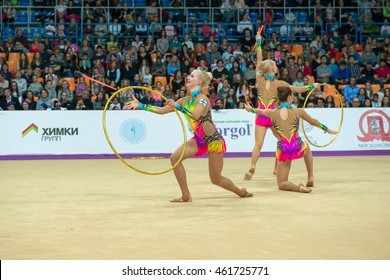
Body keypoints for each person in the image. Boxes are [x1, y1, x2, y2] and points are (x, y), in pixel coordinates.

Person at [125, 69, 253, 202]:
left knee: (216, 179)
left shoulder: (202, 99)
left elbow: (196, 115)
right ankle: (186, 195)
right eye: (189, 75)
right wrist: (140, 105)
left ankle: (240, 192)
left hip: (213, 141)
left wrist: (178, 107)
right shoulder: (183, 100)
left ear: (198, 82)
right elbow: (161, 111)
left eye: (191, 76)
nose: (188, 77)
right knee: (175, 158)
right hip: (198, 140)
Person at [245, 30, 319, 181]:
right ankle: (275, 168)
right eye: (274, 64)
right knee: (282, 141)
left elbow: (259, 60)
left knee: (258, 144)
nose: (276, 65)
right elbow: (298, 90)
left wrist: (259, 41)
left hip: (261, 114)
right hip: (274, 115)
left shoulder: (259, 79)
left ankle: (252, 166)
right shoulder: (280, 83)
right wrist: (312, 86)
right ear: (273, 69)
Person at [245, 86, 336, 193]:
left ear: (278, 99)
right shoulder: (298, 111)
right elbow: (313, 121)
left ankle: (298, 188)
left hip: (284, 149)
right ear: (290, 97)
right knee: (307, 149)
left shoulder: (272, 112)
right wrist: (326, 129)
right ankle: (310, 176)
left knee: (282, 183)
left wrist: (250, 109)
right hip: (297, 145)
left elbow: (259, 111)